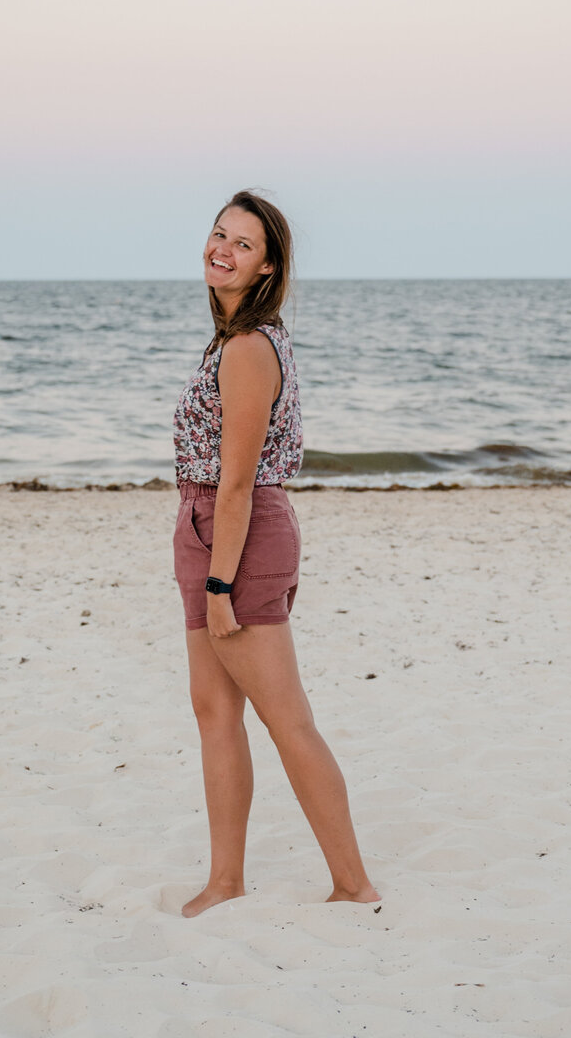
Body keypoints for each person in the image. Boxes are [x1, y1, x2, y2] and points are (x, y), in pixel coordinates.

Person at [172, 189, 381, 918]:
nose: (221, 249)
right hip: (205, 529)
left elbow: (237, 485)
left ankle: (354, 883)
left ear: (266, 269)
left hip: (238, 536)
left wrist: (220, 584)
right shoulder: (234, 339)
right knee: (212, 710)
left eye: (243, 244)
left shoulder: (250, 349)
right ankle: (225, 880)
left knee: (285, 717)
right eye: (218, 233)